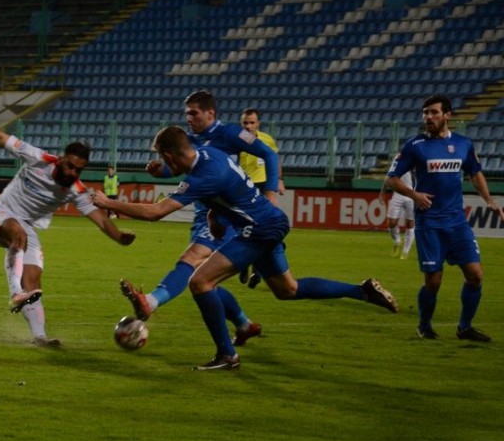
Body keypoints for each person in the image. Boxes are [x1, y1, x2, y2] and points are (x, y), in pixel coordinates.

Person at [93, 126, 399, 370]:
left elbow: (155, 213)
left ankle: (227, 355)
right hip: (270, 221)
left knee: (199, 281)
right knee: (287, 289)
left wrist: (108, 202)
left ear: (171, 156)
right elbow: (229, 189)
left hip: (259, 229)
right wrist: (215, 214)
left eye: (163, 158)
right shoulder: (212, 153)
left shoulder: (202, 176)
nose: (164, 164)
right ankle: (361, 290)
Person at [0, 109, 136, 346]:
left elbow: (100, 219)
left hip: (27, 226)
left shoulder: (76, 190)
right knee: (18, 236)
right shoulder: (37, 158)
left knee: (33, 279)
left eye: (79, 170)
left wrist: (119, 237)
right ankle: (14, 294)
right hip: (1, 213)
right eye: (71, 166)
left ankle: (39, 337)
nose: (73, 173)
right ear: (62, 160)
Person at [120, 90, 279, 346]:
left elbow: (269, 154)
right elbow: (181, 168)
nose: (189, 118)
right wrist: (161, 171)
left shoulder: (230, 133)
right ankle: (244, 324)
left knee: (192, 261)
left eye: (193, 113)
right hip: (203, 212)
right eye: (187, 114)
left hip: (223, 214)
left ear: (210, 113)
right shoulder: (188, 140)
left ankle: (151, 301)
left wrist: (271, 191)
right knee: (206, 280)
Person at [385, 94, 504, 342]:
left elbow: (475, 173)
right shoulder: (414, 146)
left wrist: (489, 200)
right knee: (434, 281)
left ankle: (464, 327)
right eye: (425, 113)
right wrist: (414, 194)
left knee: (475, 276)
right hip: (430, 223)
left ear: (447, 115)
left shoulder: (463, 144)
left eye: (434, 112)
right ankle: (424, 325)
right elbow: (392, 179)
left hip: (457, 222)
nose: (428, 117)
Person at [238, 107, 284, 288]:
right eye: (245, 123)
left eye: (251, 122)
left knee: (264, 227)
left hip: (264, 187)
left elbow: (275, 160)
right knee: (244, 227)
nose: (248, 126)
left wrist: (279, 179)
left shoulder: (266, 140)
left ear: (258, 124)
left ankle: (257, 270)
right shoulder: (236, 141)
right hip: (243, 188)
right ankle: (244, 263)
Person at [380, 166, 415, 259]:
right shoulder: (398, 160)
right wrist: (382, 193)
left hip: (412, 194)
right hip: (398, 194)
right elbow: (388, 177)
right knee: (391, 223)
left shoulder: (416, 158)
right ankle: (397, 240)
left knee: (410, 223)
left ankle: (405, 252)